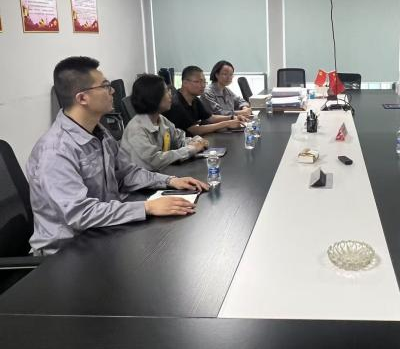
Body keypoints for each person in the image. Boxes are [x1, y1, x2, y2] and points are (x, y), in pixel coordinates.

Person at [27, 57, 208, 255]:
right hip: (66, 253)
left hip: (104, 232)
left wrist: (170, 181)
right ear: (82, 98)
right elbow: (79, 213)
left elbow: (127, 173)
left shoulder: (100, 133)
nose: (112, 91)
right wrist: (146, 207)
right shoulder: (55, 151)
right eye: (105, 86)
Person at [121, 74, 209, 171]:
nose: (170, 95)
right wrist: (191, 149)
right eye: (166, 91)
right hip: (142, 178)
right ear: (153, 97)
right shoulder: (136, 129)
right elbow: (154, 161)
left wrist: (196, 141)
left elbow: (178, 140)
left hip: (161, 174)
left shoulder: (161, 119)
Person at [162, 65, 245, 136]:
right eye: (198, 82)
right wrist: (226, 123)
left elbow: (210, 118)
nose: (203, 85)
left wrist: (232, 117)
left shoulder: (195, 99)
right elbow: (195, 130)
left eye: (204, 82)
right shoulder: (176, 104)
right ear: (185, 83)